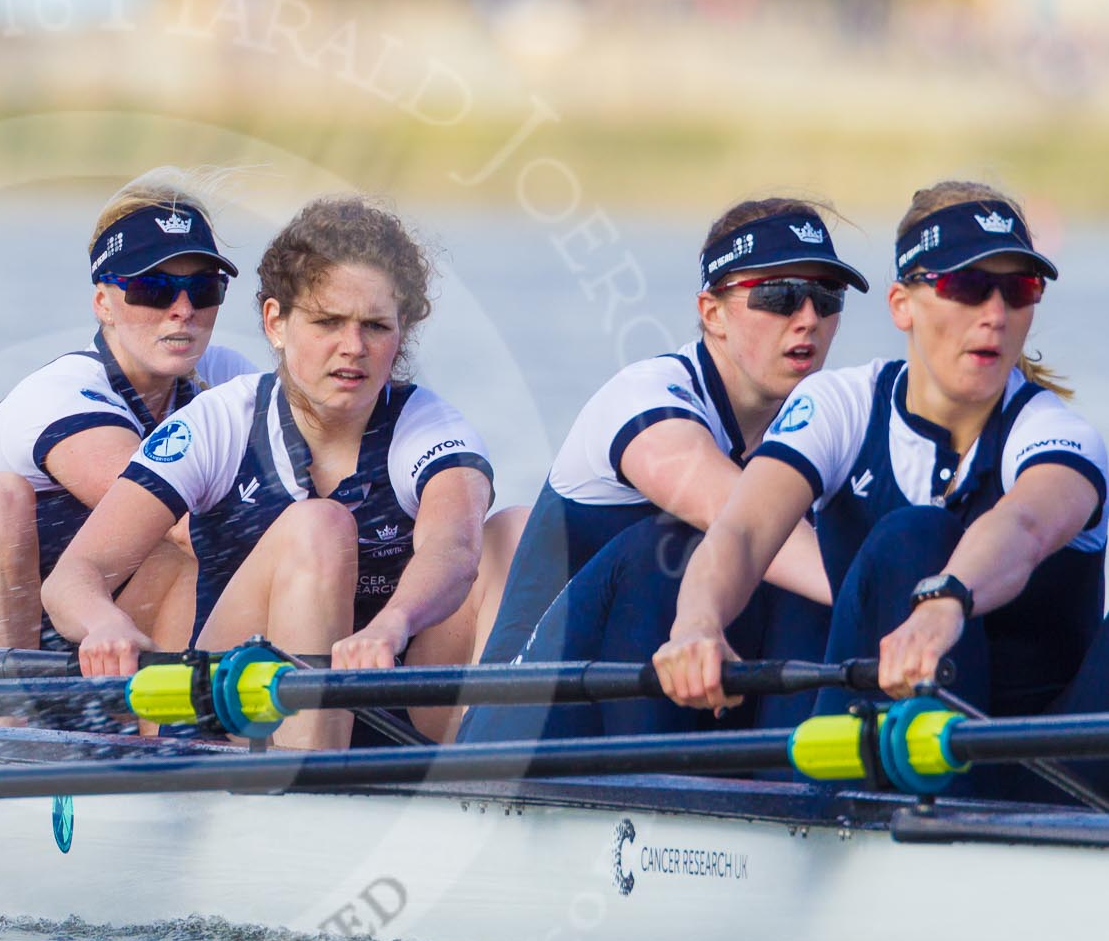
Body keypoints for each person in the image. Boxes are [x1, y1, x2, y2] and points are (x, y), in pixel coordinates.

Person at [43, 194, 518, 748]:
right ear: (276, 322)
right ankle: (304, 783)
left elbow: (453, 549)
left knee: (513, 532)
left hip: (383, 697)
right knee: (319, 525)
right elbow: (75, 574)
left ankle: (491, 774)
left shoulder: (431, 427)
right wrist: (104, 625)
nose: (353, 348)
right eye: (327, 322)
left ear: (403, 329)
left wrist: (393, 623)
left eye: (376, 326)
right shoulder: (221, 422)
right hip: (234, 712)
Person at [656, 181, 1107, 752]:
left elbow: (1023, 525)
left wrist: (947, 599)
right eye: (966, 285)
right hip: (862, 754)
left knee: (920, 534)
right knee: (913, 535)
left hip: (1042, 774)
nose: (995, 314)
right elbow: (743, 533)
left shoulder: (1058, 434)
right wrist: (696, 624)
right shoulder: (840, 405)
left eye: (1017, 289)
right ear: (902, 305)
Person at [463, 197, 863, 740]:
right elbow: (737, 517)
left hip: (659, 708)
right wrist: (886, 596)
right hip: (520, 722)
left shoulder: (827, 426)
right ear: (712, 312)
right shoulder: (645, 397)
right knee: (682, 545)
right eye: (780, 295)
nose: (809, 318)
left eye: (825, 296)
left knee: (818, 556)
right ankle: (669, 787)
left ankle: (792, 783)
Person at [0, 171, 255, 653]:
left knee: (178, 560)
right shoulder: (61, 393)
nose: (183, 310)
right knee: (2, 501)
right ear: (103, 304)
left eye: (204, 288)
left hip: (87, 652)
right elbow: (185, 524)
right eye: (154, 288)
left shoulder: (225, 376)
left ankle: (168, 726)